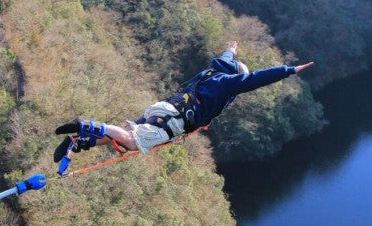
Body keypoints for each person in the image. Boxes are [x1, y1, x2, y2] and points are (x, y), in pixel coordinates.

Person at [53, 41, 313, 163]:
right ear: (236, 77)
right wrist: (288, 70)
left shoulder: (214, 73)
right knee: (132, 141)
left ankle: (80, 141)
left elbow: (224, 59)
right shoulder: (226, 84)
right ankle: (84, 126)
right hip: (174, 120)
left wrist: (231, 51)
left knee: (126, 138)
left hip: (168, 109)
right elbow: (256, 79)